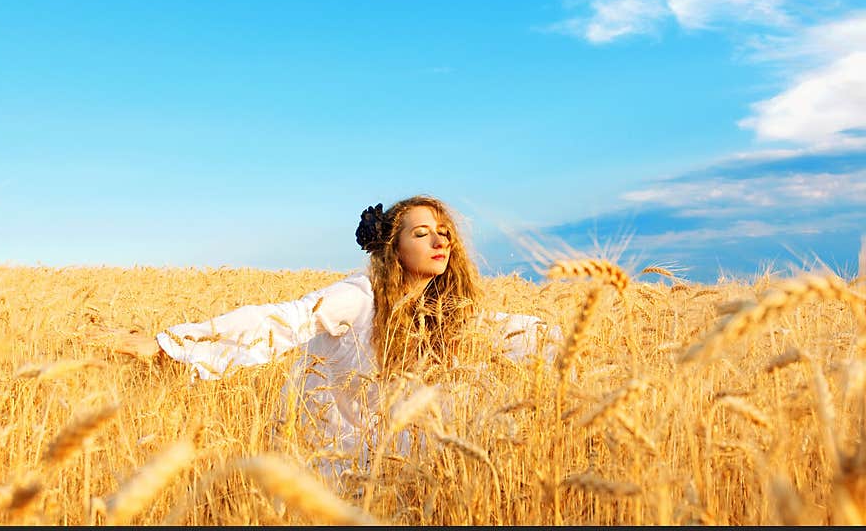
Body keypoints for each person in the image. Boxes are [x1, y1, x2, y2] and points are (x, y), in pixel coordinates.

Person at [128, 195, 561, 482]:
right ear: (393, 246)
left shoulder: (444, 314)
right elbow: (280, 322)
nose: (440, 239)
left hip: (397, 470)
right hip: (330, 466)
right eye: (421, 231)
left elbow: (512, 330)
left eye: (443, 230)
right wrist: (172, 345)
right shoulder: (358, 297)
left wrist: (581, 339)